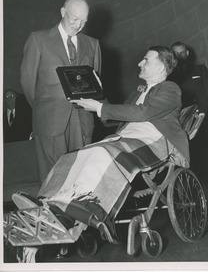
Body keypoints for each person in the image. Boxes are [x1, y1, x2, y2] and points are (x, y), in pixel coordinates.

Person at [10, 46, 189, 262]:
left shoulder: (170, 88)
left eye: (146, 60)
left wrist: (100, 107)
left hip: (154, 141)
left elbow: (144, 113)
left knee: (101, 152)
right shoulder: (138, 92)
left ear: (161, 66)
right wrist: (97, 95)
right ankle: (48, 206)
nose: (140, 63)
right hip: (127, 140)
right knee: (73, 156)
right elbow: (113, 117)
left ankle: (79, 212)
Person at [20, 0, 102, 183]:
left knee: (81, 178)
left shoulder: (93, 44)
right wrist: (46, 108)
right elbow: (28, 83)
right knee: (52, 180)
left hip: (82, 122)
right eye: (74, 18)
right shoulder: (38, 39)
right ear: (63, 12)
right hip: (50, 121)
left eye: (83, 21)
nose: (78, 25)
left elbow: (95, 84)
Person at [169, 42, 208, 205]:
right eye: (176, 53)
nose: (179, 56)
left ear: (188, 53)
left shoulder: (200, 70)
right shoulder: (170, 76)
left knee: (206, 161)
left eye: (182, 52)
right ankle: (194, 202)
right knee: (188, 164)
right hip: (183, 127)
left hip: (203, 124)